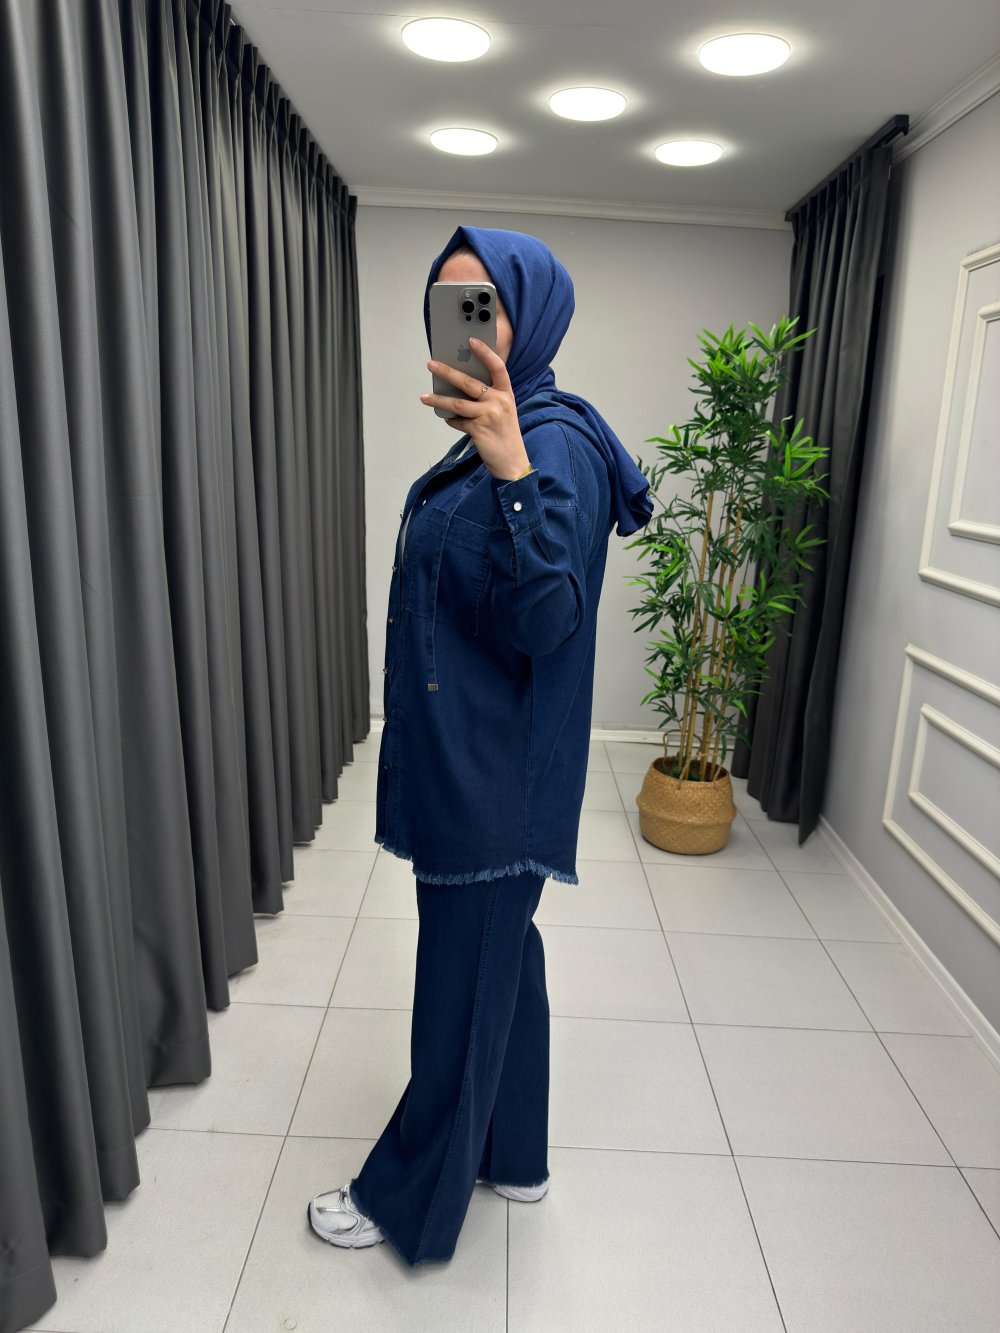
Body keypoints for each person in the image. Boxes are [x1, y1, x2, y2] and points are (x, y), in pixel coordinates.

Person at [307, 226, 652, 1266]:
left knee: (458, 993)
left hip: (495, 780)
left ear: (528, 319)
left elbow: (548, 620)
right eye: (444, 306)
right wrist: (492, 456)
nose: (460, 329)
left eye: (481, 306)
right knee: (508, 957)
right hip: (471, 755)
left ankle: (406, 1198)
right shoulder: (494, 430)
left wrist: (510, 471)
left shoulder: (550, 445)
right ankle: (517, 1154)